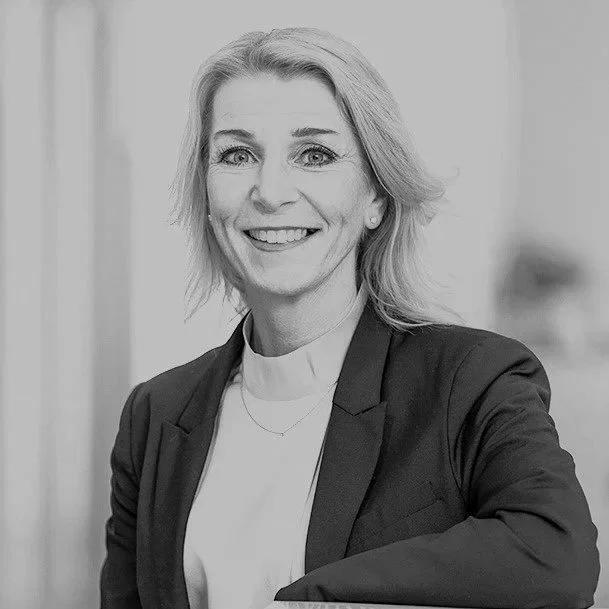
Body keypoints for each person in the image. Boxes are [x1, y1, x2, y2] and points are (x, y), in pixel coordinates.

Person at [100, 27, 600, 609]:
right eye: (237, 155)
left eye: (314, 155)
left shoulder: (470, 380)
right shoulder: (154, 416)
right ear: (207, 195)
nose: (270, 191)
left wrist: (311, 598)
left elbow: (556, 556)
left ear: (375, 198)